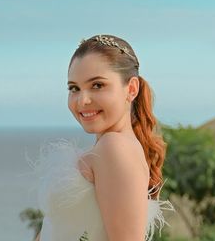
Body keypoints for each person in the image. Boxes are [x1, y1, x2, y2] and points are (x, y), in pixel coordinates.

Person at [29, 34, 174, 241]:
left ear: (131, 89)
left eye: (97, 85)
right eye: (74, 88)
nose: (82, 100)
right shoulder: (109, 148)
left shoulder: (115, 147)